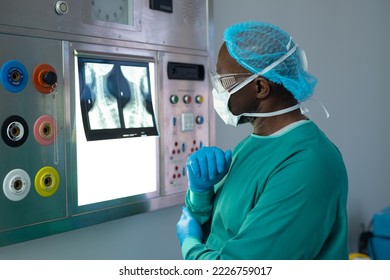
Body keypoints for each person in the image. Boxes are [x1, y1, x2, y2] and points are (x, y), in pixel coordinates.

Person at [176, 21, 349, 260]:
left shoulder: (308, 165)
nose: (217, 89)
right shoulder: (251, 146)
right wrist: (201, 193)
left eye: (223, 80)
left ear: (260, 87)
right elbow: (219, 230)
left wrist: (190, 245)